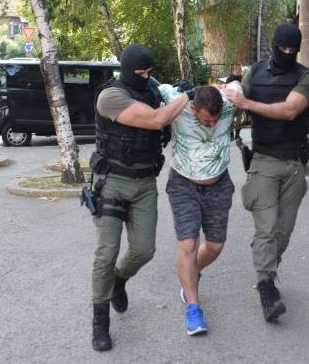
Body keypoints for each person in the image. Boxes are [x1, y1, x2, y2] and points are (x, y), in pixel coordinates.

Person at [89, 44, 189, 351]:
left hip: (145, 182)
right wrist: (186, 98)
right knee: (106, 253)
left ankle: (119, 280)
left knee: (144, 250)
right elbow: (157, 120)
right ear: (127, 70)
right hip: (112, 181)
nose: (146, 77)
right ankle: (100, 320)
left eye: (149, 72)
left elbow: (167, 102)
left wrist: (179, 92)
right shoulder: (110, 96)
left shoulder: (152, 89)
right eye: (140, 73)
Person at [222, 23, 309, 323]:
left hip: (293, 164)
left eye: (293, 50)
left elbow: (290, 110)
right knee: (267, 228)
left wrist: (247, 102)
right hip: (263, 160)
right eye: (283, 48)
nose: (287, 53)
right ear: (274, 47)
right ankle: (266, 287)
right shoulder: (256, 72)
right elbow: (237, 95)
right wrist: (233, 92)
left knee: (282, 232)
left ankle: (265, 261)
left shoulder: (306, 76)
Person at [158, 84, 236, 336]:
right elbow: (161, 88)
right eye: (206, 121)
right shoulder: (181, 104)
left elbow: (237, 85)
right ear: (194, 109)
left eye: (215, 120)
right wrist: (184, 95)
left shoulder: (228, 105)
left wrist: (225, 87)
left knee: (214, 246)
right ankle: (193, 309)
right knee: (189, 244)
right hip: (183, 184)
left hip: (219, 184)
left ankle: (191, 272)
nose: (212, 125)